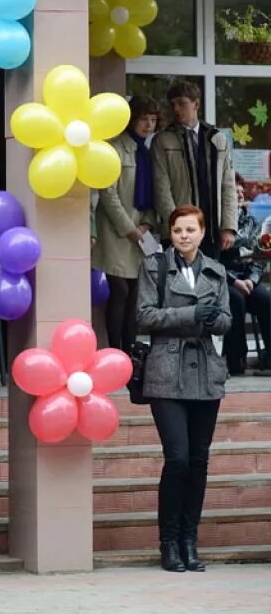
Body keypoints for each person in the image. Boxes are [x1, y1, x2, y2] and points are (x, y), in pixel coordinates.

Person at [137, 204, 232, 573]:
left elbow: (226, 320)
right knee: (177, 457)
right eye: (178, 231)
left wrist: (213, 319)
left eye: (191, 230)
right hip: (166, 370)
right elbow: (145, 316)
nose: (184, 236)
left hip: (206, 370)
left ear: (203, 232)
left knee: (199, 459)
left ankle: (190, 541)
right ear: (170, 233)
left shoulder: (217, 271)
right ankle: (168, 542)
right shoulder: (154, 267)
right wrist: (190, 314)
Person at [93, 95, 160, 352]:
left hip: (140, 233)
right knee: (119, 288)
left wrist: (147, 224)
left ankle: (130, 350)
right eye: (144, 119)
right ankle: (115, 348)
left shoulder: (148, 151)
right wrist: (128, 228)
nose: (149, 125)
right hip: (116, 231)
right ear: (132, 119)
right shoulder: (116, 148)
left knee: (135, 293)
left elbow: (155, 192)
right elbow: (108, 193)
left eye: (153, 120)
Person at [153, 81, 237, 257]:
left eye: (181, 103)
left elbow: (228, 185)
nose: (176, 109)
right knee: (179, 281)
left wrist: (228, 227)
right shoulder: (163, 140)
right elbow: (161, 188)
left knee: (209, 281)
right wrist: (177, 227)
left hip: (212, 229)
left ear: (196, 104)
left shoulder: (217, 138)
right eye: (173, 104)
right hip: (180, 231)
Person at [220, 176, 271, 374]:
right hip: (224, 280)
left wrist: (251, 279)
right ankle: (236, 358)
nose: (241, 195)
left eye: (242, 192)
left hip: (248, 277)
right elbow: (212, 261)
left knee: (266, 300)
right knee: (236, 302)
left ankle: (268, 358)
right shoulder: (218, 224)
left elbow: (259, 255)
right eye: (235, 192)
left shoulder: (252, 221)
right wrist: (234, 281)